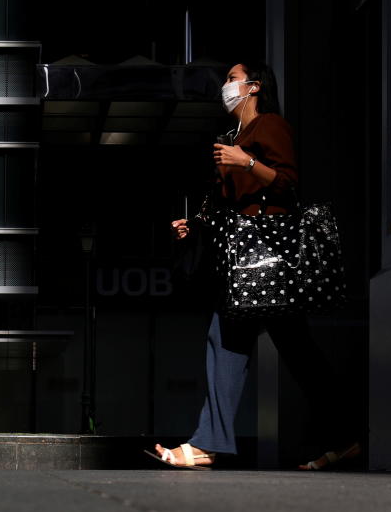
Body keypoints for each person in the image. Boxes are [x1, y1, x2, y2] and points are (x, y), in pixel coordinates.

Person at [153, 61, 360, 471]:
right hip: (252, 264)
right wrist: (193, 226)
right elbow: (230, 207)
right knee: (299, 354)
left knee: (227, 339)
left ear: (254, 87)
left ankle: (207, 443)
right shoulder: (233, 136)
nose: (226, 87)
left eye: (232, 79)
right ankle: (345, 439)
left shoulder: (270, 126)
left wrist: (245, 162)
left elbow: (287, 183)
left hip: (266, 260)